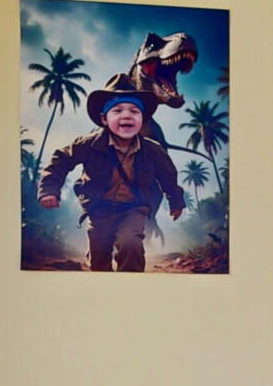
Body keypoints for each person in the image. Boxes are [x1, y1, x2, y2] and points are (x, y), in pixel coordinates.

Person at [37, 83, 186, 271]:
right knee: (99, 258)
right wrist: (49, 189)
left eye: (134, 111)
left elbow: (168, 175)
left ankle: (129, 289)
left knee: (130, 244)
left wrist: (176, 200)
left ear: (142, 120)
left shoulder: (152, 150)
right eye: (117, 110)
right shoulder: (88, 144)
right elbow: (61, 160)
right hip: (99, 209)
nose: (126, 115)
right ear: (104, 119)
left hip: (133, 209)